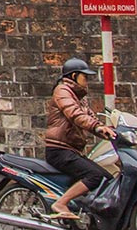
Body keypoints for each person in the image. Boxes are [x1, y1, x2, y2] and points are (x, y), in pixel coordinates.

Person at [43, 57, 118, 219]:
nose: (87, 81)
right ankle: (60, 203)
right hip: (59, 149)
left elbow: (90, 118)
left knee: (107, 178)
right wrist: (96, 127)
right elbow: (75, 115)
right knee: (94, 176)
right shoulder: (62, 91)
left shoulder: (79, 98)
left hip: (72, 150)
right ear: (74, 76)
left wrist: (108, 131)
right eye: (85, 77)